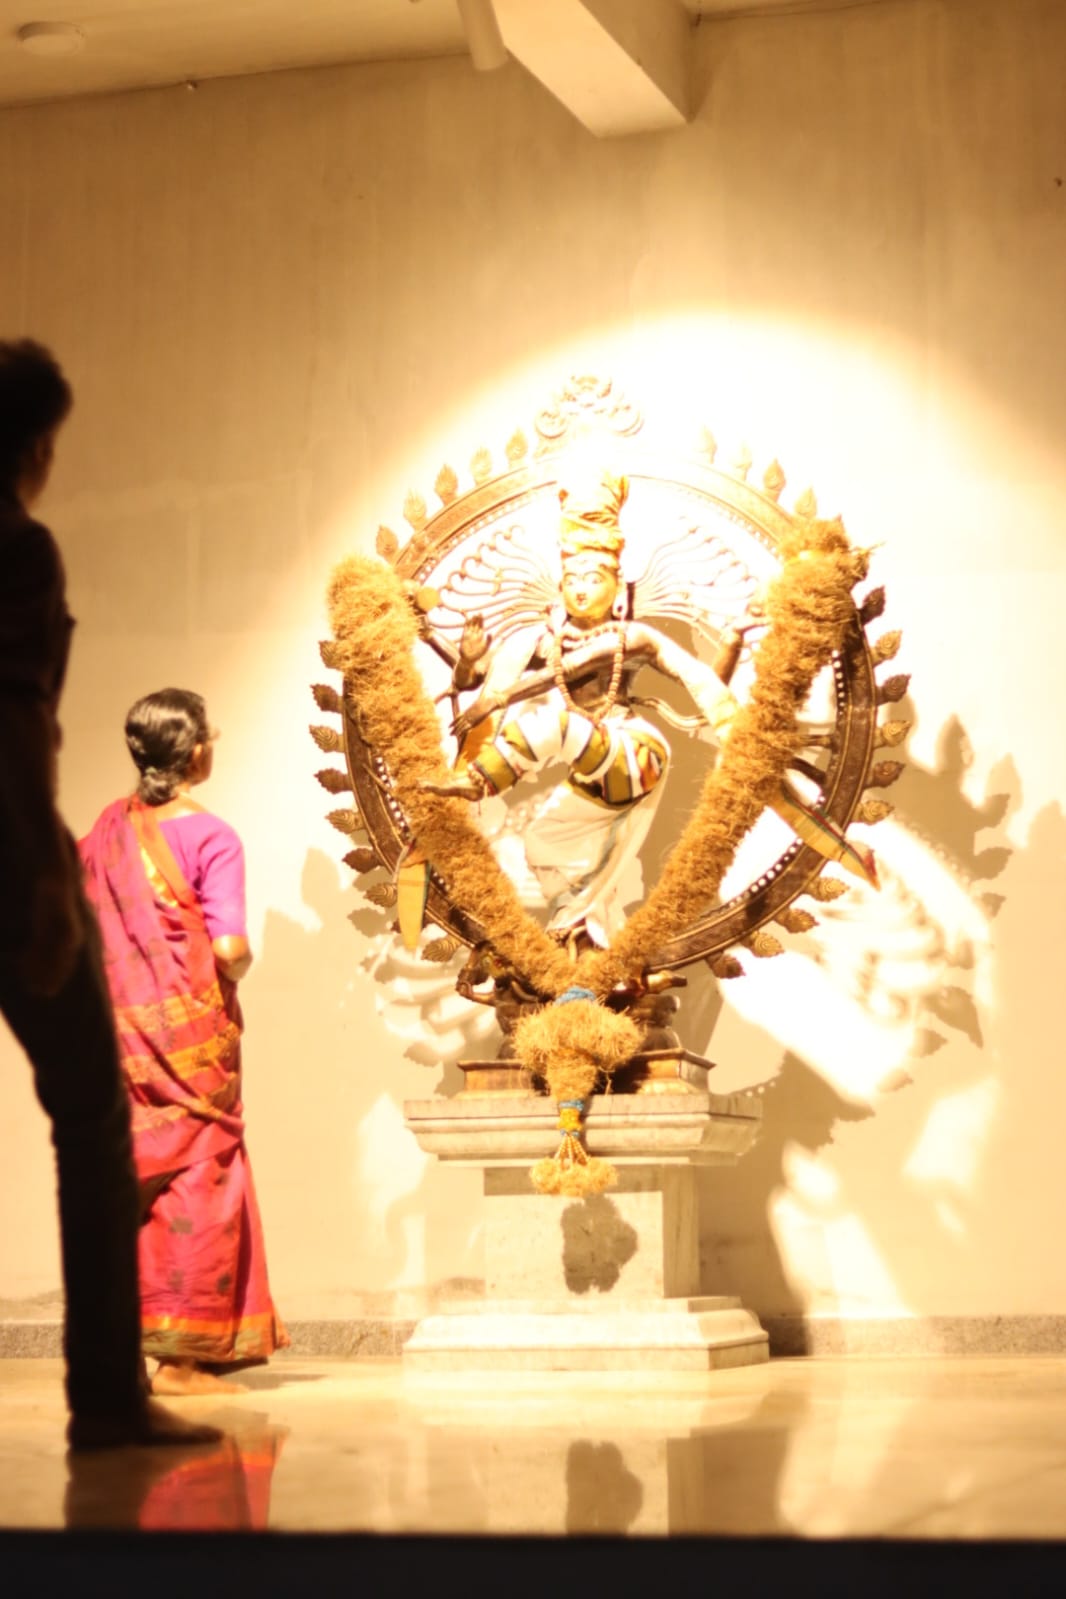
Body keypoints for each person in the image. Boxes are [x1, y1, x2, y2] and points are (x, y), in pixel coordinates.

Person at [0, 337, 220, 1449]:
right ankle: (107, 1395)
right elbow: (14, 716)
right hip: (6, 855)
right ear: (35, 448)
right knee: (91, 1120)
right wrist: (42, 883)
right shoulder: (17, 547)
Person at [427, 464, 877, 948]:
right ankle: (580, 935)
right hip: (588, 766)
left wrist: (731, 637)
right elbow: (473, 681)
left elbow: (704, 687)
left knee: (552, 726)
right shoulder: (541, 640)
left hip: (634, 753)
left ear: (618, 587)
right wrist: (469, 662)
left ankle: (477, 782)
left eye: (593, 577)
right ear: (558, 588)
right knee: (544, 843)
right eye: (572, 578)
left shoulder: (634, 637)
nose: (581, 587)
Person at [80, 688, 288, 1395]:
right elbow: (229, 948)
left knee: (135, 1179)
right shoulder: (212, 837)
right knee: (201, 1175)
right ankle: (182, 1361)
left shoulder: (104, 834)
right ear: (197, 752)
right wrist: (237, 968)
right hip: (191, 1042)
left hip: (119, 1037)